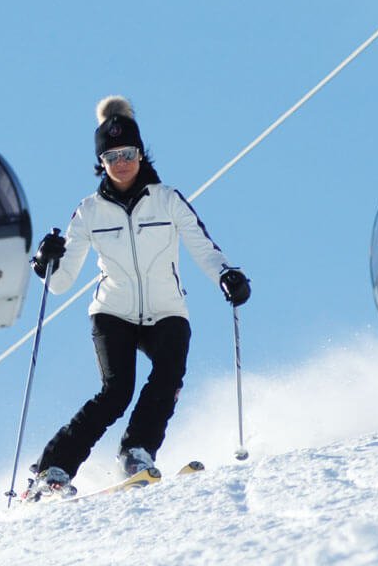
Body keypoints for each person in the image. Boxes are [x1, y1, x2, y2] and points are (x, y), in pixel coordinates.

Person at [23, 96, 250, 500]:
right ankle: (53, 467)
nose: (122, 163)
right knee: (116, 392)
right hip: (114, 310)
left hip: (166, 308)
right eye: (112, 156)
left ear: (141, 154)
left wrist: (227, 274)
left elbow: (203, 247)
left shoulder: (167, 199)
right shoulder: (89, 211)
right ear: (102, 162)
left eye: (128, 153)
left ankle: (136, 452)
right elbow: (60, 283)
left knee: (168, 374)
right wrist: (45, 264)